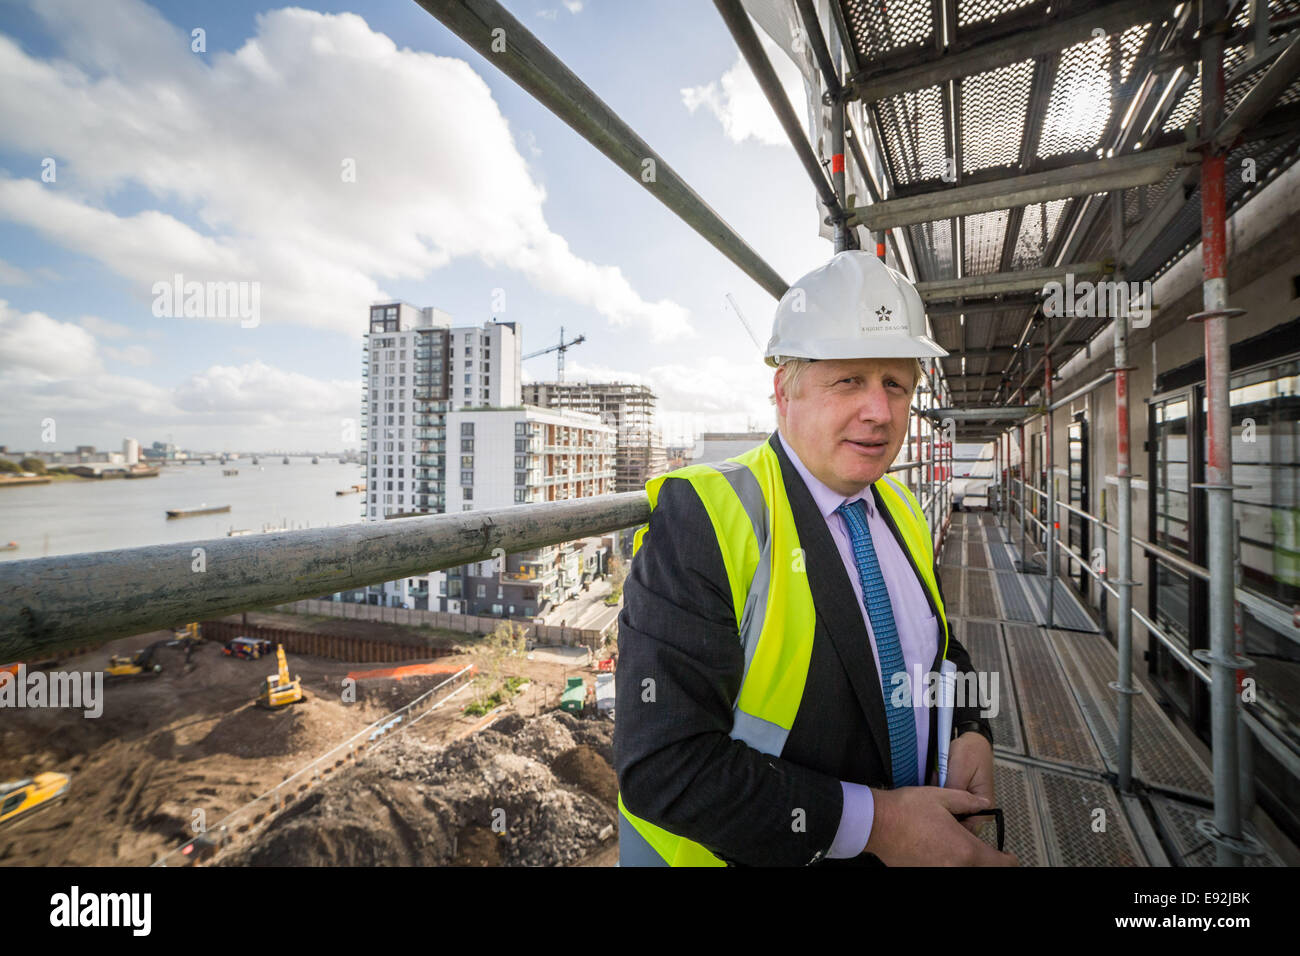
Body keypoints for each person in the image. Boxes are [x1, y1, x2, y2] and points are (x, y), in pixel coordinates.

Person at [614, 251, 1017, 866]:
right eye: (848, 380)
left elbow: (936, 648)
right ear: (785, 391)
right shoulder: (708, 517)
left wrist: (968, 730)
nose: (879, 412)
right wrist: (879, 825)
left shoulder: (901, 508)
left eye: (896, 385)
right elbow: (664, 764)